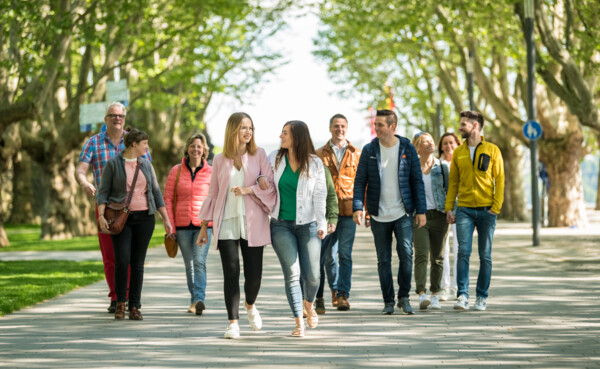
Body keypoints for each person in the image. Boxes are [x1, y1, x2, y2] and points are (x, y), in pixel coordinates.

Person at [197, 112, 276, 339]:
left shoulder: (260, 155)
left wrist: (255, 186)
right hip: (227, 223)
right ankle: (233, 323)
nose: (248, 132)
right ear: (233, 130)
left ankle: (250, 304)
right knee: (231, 273)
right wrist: (204, 226)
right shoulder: (220, 160)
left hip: (253, 222)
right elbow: (212, 194)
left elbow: (270, 187)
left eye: (250, 127)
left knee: (254, 276)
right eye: (243, 127)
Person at [76, 102, 151, 313]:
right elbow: (80, 169)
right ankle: (117, 297)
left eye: (120, 115)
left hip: (135, 208)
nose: (117, 118)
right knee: (111, 256)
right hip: (107, 208)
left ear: (124, 119)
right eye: (112, 115)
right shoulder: (93, 143)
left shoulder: (135, 142)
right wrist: (84, 182)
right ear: (106, 118)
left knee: (130, 257)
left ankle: (127, 296)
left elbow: (148, 171)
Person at [353, 109, 426, 315]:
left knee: (406, 254)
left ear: (392, 127)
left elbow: (416, 180)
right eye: (375, 125)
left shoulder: (407, 148)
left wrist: (420, 210)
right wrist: (358, 207)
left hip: (403, 212)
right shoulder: (369, 150)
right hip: (378, 214)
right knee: (383, 259)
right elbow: (360, 181)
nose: (376, 128)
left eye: (380, 125)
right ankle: (388, 301)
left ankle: (404, 297)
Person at [97, 129, 173, 320]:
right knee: (122, 260)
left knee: (138, 264)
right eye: (145, 143)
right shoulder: (113, 164)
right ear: (134, 144)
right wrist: (100, 216)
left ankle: (135, 306)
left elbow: (156, 192)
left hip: (145, 218)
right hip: (121, 219)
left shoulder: (146, 164)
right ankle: (120, 303)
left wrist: (165, 218)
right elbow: (103, 192)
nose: (147, 146)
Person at [269, 120, 327, 337]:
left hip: (309, 224)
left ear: (297, 137)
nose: (280, 136)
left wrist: (321, 223)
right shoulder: (274, 158)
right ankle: (298, 322)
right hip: (281, 224)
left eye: (285, 133)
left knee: (312, 276)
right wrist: (259, 180)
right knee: (292, 274)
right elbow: (262, 176)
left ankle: (309, 305)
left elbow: (320, 195)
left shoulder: (314, 163)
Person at [445, 111, 504, 311]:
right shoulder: (459, 153)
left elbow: (500, 180)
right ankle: (462, 295)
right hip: (464, 210)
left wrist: (496, 207)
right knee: (463, 252)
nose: (460, 128)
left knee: (485, 255)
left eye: (463, 124)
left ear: (475, 126)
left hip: (487, 210)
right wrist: (449, 208)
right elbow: (453, 182)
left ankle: (481, 297)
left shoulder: (493, 150)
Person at [315, 113, 362, 312]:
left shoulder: (356, 153)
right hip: (327, 213)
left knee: (345, 254)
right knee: (327, 256)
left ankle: (343, 295)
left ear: (347, 128)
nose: (339, 129)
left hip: (349, 212)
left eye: (342, 126)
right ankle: (332, 289)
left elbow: (362, 184)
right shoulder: (319, 154)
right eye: (336, 126)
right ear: (330, 128)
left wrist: (362, 210)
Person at [164, 133, 213, 315]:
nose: (195, 149)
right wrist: (170, 225)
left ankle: (199, 298)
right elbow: (168, 199)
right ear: (187, 149)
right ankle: (194, 299)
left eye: (199, 146)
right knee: (190, 264)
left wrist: (209, 222)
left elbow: (214, 199)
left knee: (199, 261)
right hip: (182, 225)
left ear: (204, 150)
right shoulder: (176, 171)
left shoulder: (211, 172)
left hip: (204, 226)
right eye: (192, 146)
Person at [411, 132, 449, 310]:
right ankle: (421, 294)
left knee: (438, 258)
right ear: (417, 147)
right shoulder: (411, 168)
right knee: (421, 255)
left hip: (440, 216)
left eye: (431, 141)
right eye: (424, 142)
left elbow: (450, 191)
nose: (429, 144)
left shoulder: (442, 167)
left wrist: (450, 211)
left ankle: (435, 294)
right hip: (419, 216)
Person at [438, 132, 462, 301]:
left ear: (457, 144)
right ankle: (445, 286)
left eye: (451, 142)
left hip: (461, 208)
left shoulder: (463, 162)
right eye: (445, 143)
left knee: (460, 248)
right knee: (443, 249)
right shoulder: (437, 165)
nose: (448, 146)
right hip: (443, 209)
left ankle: (458, 286)